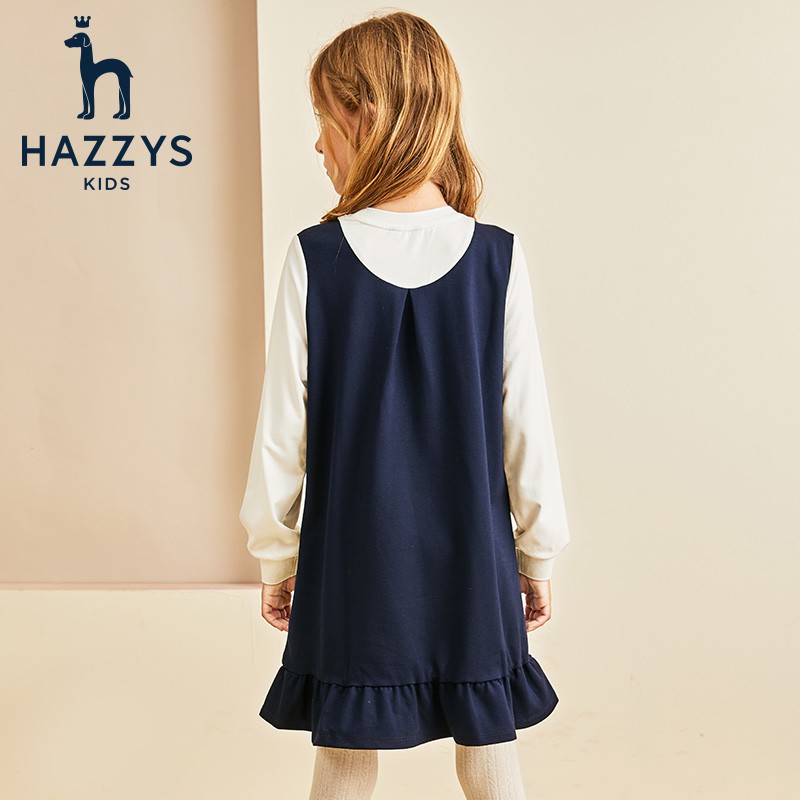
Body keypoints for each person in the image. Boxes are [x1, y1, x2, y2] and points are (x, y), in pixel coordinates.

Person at [238, 10, 571, 800]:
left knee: (344, 747)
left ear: (367, 116)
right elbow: (525, 427)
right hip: (474, 558)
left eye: (322, 119)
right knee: (489, 746)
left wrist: (277, 555)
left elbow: (282, 432)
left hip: (351, 558)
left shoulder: (315, 258)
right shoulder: (496, 259)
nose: (317, 145)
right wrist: (537, 554)